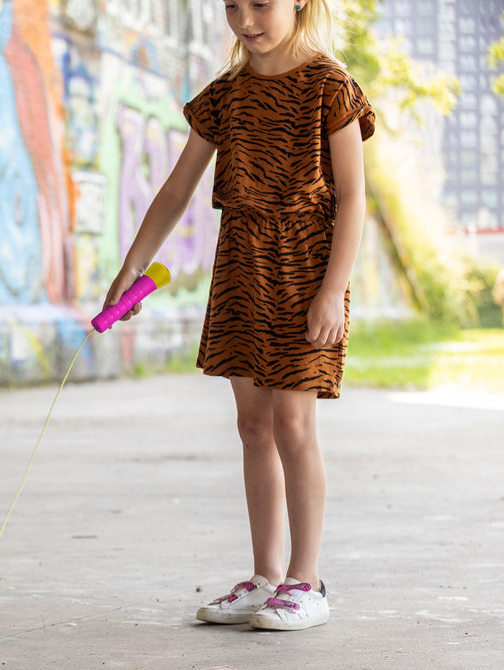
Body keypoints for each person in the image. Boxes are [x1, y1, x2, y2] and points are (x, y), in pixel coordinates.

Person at [105, 0, 373, 631]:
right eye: (231, 5)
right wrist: (131, 268)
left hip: (307, 267)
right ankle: (265, 577)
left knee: (293, 423)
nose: (245, 19)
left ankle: (307, 582)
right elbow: (175, 190)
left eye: (261, 4)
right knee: (252, 426)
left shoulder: (331, 86)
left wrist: (333, 290)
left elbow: (355, 196)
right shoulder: (224, 95)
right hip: (241, 266)